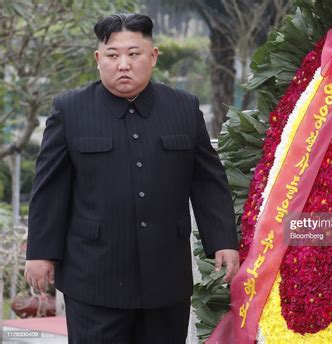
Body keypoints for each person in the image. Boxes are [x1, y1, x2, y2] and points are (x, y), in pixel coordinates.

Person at [24, 13, 239, 344]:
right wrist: (40, 254)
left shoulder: (183, 108)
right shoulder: (70, 110)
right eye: (113, 55)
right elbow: (49, 189)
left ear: (153, 57)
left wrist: (222, 240)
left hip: (165, 278)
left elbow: (207, 181)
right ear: (98, 59)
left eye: (134, 54)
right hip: (94, 278)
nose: (123, 64)